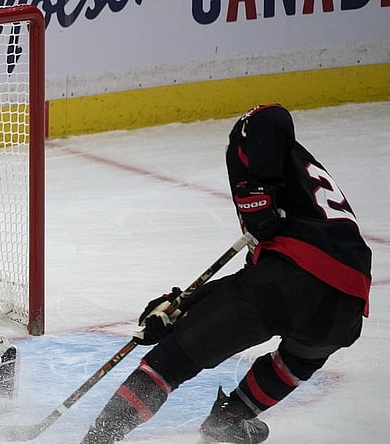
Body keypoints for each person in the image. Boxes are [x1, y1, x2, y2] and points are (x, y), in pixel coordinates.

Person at [81, 104, 372, 444]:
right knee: (299, 358)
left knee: (173, 359)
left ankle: (95, 442)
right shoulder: (300, 191)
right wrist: (184, 306)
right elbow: (251, 285)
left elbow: (269, 115)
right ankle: (229, 419)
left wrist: (257, 194)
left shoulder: (260, 152)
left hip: (294, 276)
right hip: (348, 305)